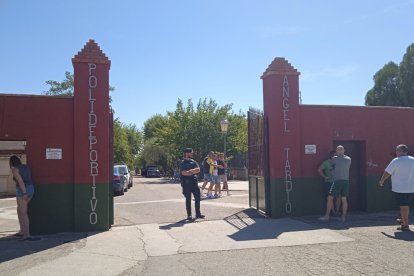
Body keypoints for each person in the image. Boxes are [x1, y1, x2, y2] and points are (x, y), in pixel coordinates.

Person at [379, 144, 414, 231]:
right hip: (411, 188)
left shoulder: (396, 160)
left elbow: (387, 172)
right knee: (406, 206)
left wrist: (382, 180)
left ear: (401, 151)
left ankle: (405, 225)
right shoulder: (413, 160)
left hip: (400, 188)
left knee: (403, 206)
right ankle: (403, 221)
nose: (396, 152)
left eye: (397, 150)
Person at [319, 145, 351, 222]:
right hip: (346, 181)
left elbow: (332, 164)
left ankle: (327, 216)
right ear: (344, 150)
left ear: (337, 151)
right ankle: (343, 217)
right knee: (344, 198)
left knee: (330, 198)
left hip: (337, 181)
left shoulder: (334, 159)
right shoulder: (348, 159)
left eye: (338, 150)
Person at [10, 155, 35, 241]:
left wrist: (24, 193)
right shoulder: (25, 167)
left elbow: (20, 182)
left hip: (22, 191)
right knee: (19, 210)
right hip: (31, 188)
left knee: (23, 213)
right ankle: (22, 231)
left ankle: (26, 234)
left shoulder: (15, 169)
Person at [180, 148, 205, 221]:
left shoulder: (194, 162)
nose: (192, 154)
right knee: (188, 199)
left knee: (197, 198)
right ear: (187, 153)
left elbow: (198, 170)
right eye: (191, 153)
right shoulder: (183, 163)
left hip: (194, 183)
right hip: (186, 183)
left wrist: (190, 171)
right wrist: (193, 172)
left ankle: (198, 213)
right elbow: (184, 173)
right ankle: (189, 215)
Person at [317, 151, 340, 215]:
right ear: (332, 156)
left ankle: (337, 211)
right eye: (335, 156)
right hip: (329, 182)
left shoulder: (339, 162)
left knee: (339, 197)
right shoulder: (326, 162)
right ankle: (333, 212)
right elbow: (319, 170)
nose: (337, 157)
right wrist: (325, 176)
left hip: (338, 182)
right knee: (330, 198)